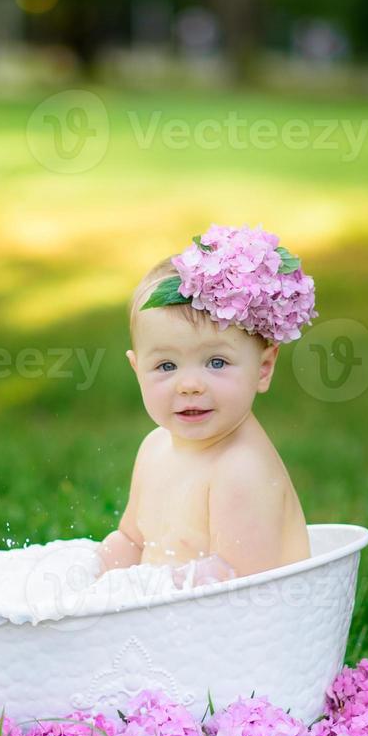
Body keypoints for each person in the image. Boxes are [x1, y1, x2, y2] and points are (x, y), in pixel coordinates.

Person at [97, 225, 318, 585]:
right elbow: (132, 541)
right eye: (166, 366)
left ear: (263, 368)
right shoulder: (153, 448)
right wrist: (88, 580)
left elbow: (242, 590)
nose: (189, 385)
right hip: (175, 625)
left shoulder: (241, 471)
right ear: (137, 370)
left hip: (242, 634)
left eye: (216, 363)